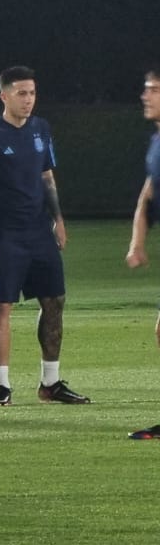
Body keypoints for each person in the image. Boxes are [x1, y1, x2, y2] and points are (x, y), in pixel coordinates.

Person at [0, 66, 90, 407]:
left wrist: (58, 219)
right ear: (4, 96)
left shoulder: (42, 130)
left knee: (54, 301)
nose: (28, 99)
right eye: (21, 93)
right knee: (1, 306)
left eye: (32, 93)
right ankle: (2, 386)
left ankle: (51, 383)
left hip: (37, 230)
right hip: (3, 232)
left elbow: (47, 177)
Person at [123, 68, 160, 439]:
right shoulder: (156, 142)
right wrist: (137, 241)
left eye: (153, 89)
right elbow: (147, 197)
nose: (145, 95)